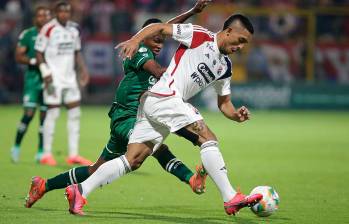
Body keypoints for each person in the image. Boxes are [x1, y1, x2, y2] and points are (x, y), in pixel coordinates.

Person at [65, 14, 263, 216]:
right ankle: (230, 197)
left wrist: (236, 115)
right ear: (228, 31)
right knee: (208, 138)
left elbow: (225, 103)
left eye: (245, 44)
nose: (241, 47)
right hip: (166, 96)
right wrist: (135, 39)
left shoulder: (225, 67)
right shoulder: (199, 35)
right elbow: (160, 28)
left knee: (133, 159)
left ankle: (80, 190)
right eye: (240, 40)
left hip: (158, 102)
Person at [25, 0, 211, 210]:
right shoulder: (140, 50)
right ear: (145, 35)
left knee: (96, 169)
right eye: (157, 40)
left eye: (162, 40)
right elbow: (158, 71)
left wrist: (192, 11)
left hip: (129, 117)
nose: (160, 44)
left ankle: (43, 186)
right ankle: (190, 179)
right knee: (154, 147)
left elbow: (162, 28)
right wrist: (187, 76)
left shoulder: (148, 41)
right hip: (127, 116)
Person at [35, 1, 91, 166]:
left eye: (67, 12)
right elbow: (39, 53)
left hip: (70, 79)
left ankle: (73, 154)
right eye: (61, 12)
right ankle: (46, 154)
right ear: (55, 13)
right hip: (54, 79)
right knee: (53, 113)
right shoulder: (48, 29)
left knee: (75, 114)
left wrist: (83, 70)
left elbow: (76, 52)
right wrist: (45, 72)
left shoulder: (74, 29)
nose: (65, 14)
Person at [10, 6, 51, 163]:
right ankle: (16, 146)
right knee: (28, 114)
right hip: (33, 80)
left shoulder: (54, 34)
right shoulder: (28, 34)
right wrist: (35, 61)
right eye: (40, 15)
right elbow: (19, 56)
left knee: (44, 117)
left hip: (49, 81)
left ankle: (41, 152)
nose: (44, 18)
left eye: (46, 15)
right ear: (36, 18)